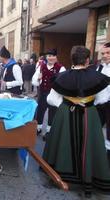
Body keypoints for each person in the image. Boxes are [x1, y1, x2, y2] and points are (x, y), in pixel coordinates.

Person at [43, 46, 110, 197]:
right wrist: (87, 102)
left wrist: (68, 104)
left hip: (66, 114)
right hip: (89, 114)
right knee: (89, 145)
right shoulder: (97, 77)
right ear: (87, 60)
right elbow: (103, 98)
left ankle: (60, 176)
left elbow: (51, 99)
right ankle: (88, 182)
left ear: (72, 59)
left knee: (63, 144)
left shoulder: (62, 77)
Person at [32, 49, 65, 140]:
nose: (50, 58)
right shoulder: (41, 66)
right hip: (43, 92)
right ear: (46, 57)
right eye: (49, 56)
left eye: (52, 56)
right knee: (40, 110)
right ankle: (38, 128)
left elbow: (63, 82)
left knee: (52, 112)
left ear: (56, 57)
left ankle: (49, 131)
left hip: (54, 93)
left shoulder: (60, 68)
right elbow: (34, 79)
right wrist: (38, 79)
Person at [96, 42, 110, 155]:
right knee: (95, 128)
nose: (105, 55)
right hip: (99, 104)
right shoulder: (100, 67)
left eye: (108, 53)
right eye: (103, 53)